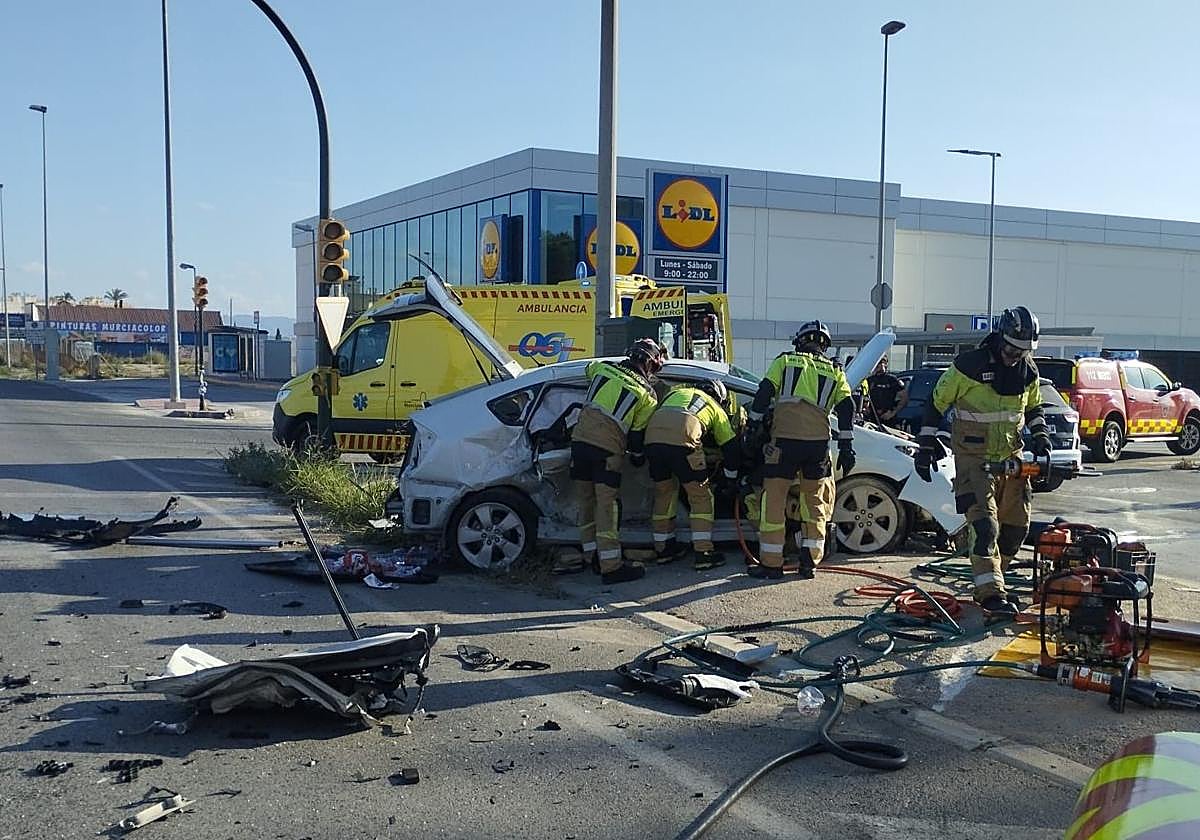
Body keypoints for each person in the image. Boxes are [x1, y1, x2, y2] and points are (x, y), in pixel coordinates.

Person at [913, 306, 1051, 617]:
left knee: (1016, 527)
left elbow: (1034, 409)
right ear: (1001, 338)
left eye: (1024, 350)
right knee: (985, 527)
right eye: (1013, 348)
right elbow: (936, 404)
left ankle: (994, 579)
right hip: (973, 460)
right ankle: (990, 594)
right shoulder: (968, 367)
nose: (1016, 355)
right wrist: (925, 446)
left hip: (1011, 458)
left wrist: (1042, 439)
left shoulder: (1028, 372)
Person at [745, 320, 855, 580]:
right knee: (814, 502)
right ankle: (809, 564)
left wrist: (752, 425)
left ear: (799, 341)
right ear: (824, 346)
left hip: (785, 441)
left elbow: (763, 394)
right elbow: (847, 407)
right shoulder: (834, 371)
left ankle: (772, 565)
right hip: (818, 445)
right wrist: (847, 445)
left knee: (774, 500)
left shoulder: (785, 362)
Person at [566, 338, 665, 584]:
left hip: (578, 444)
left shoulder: (602, 368)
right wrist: (640, 458)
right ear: (652, 364)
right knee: (607, 506)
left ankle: (591, 557)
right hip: (606, 450)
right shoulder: (647, 395)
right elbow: (636, 437)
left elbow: (587, 370)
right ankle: (610, 567)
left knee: (586, 501)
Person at [644, 377, 741, 571]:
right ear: (719, 397)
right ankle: (704, 553)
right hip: (684, 440)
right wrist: (731, 480)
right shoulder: (714, 406)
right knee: (701, 497)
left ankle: (664, 550)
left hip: (652, 440)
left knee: (665, 493)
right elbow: (731, 448)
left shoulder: (675, 394)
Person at [864, 356, 908, 427]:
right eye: (878, 363)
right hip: (873, 417)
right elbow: (864, 397)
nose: (880, 365)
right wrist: (866, 408)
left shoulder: (892, 380)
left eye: (882, 363)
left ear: (886, 364)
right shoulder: (870, 380)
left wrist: (892, 413)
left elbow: (904, 398)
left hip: (888, 417)